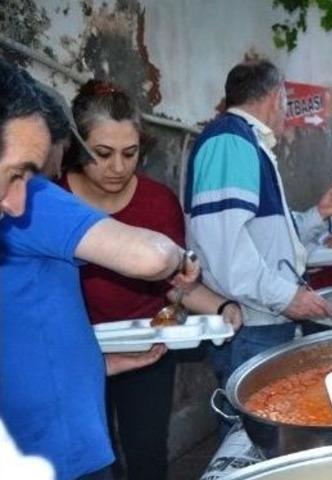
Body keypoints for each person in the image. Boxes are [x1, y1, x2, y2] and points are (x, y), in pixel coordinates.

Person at [1, 60, 200, 480]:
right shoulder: (39, 200)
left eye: (129, 154)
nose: (21, 199)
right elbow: (152, 258)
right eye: (23, 172)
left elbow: (23, 333)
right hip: (57, 448)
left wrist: (93, 363)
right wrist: (181, 257)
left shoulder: (156, 199)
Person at [58, 79, 242, 480]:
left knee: (147, 457)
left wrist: (223, 308)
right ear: (75, 147)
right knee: (92, 461)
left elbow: (177, 284)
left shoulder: (158, 203)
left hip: (148, 351)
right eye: (102, 154)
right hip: (74, 354)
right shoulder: (51, 199)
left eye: (130, 153)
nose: (118, 168)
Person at [184, 59, 332, 384]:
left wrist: (320, 213)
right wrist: (287, 298)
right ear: (276, 97)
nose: (286, 114)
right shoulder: (230, 142)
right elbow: (226, 252)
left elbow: (268, 242)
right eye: (287, 103)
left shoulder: (245, 142)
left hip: (262, 320)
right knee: (248, 431)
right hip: (251, 325)